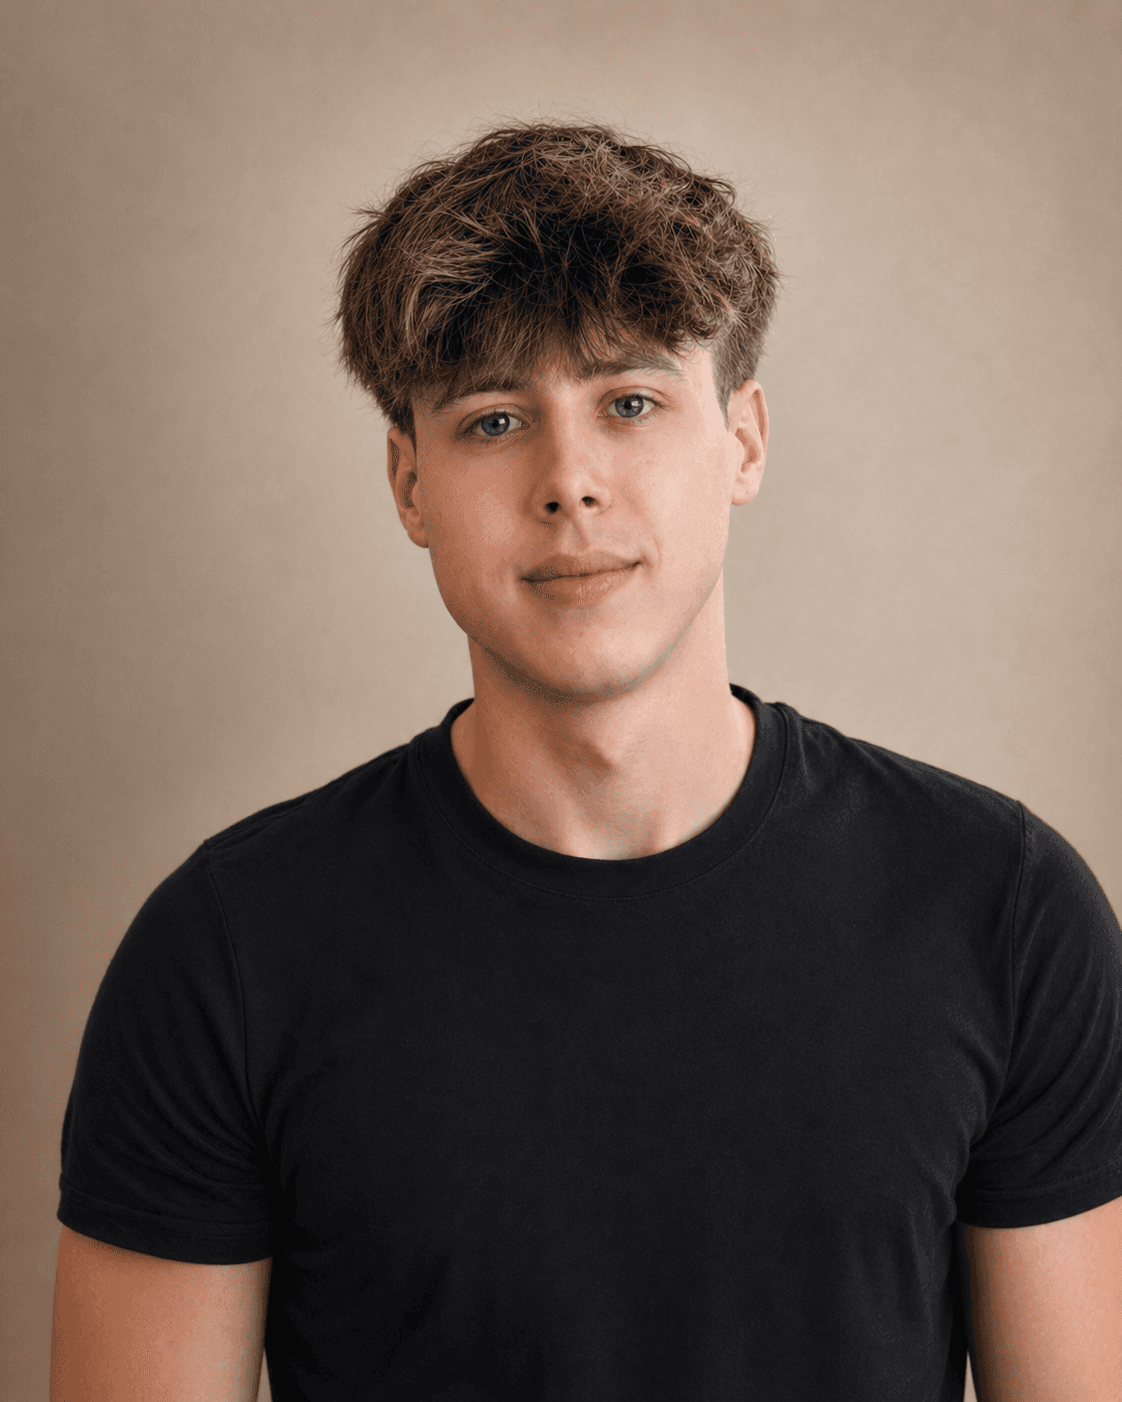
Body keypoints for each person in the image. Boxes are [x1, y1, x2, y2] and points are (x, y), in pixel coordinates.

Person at [50, 122, 1122, 1402]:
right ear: (408, 483)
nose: (569, 482)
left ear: (743, 440)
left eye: (630, 403)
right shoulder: (226, 955)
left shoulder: (1001, 911)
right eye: (495, 420)